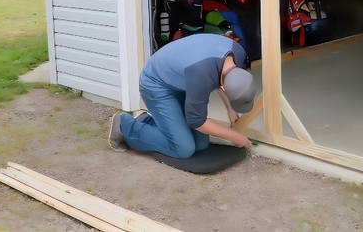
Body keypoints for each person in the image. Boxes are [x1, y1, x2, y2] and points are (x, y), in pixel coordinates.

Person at [108, 33, 257, 158]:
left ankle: (150, 121)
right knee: (183, 148)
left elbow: (222, 76)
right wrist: (235, 136)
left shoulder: (238, 53)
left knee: (200, 144)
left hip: (181, 80)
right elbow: (198, 122)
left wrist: (230, 109)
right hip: (156, 84)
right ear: (223, 87)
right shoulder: (201, 75)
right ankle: (125, 125)